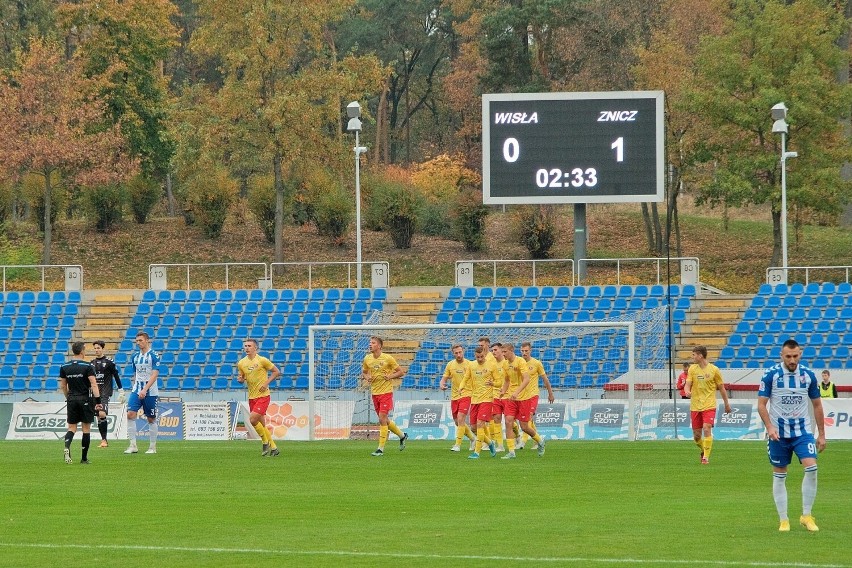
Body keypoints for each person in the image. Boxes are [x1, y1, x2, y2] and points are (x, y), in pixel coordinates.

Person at [757, 339, 826, 532]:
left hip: (802, 432)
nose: (792, 360)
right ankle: (784, 520)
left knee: (812, 468)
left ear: (800, 354)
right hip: (778, 434)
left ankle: (806, 515)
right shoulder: (771, 375)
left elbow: (817, 405)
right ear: (782, 356)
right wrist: (769, 427)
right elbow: (761, 404)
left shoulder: (808, 376)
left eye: (795, 356)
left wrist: (821, 434)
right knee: (780, 475)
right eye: (788, 356)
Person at [683, 345, 731, 465]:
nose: (692, 357)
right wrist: (687, 390)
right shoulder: (692, 369)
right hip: (695, 405)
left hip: (709, 404)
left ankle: (706, 458)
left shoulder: (714, 370)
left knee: (706, 428)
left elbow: (721, 388)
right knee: (697, 436)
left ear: (700, 356)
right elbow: (688, 383)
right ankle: (703, 450)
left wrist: (726, 404)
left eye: (694, 354)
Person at [362, 336, 408, 456]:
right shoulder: (367, 358)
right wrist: (368, 378)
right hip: (375, 393)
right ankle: (402, 436)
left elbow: (401, 372)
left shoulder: (387, 358)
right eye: (370, 343)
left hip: (386, 392)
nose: (370, 344)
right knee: (385, 420)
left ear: (379, 346)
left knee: (382, 418)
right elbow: (364, 372)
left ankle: (380, 448)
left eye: (373, 343)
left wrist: (390, 376)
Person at [498, 343, 545, 459]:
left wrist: (517, 392)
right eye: (502, 352)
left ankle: (540, 441)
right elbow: (507, 380)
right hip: (511, 398)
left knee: (524, 427)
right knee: (508, 422)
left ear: (511, 351)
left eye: (505, 352)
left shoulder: (520, 362)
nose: (503, 354)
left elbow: (527, 379)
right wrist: (503, 391)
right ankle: (511, 452)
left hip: (524, 398)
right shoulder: (505, 364)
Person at [237, 338, 282, 457]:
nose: (246, 348)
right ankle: (274, 448)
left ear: (255, 348)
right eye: (245, 346)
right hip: (252, 397)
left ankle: (264, 441)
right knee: (262, 424)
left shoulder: (262, 360)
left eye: (249, 346)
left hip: (263, 395)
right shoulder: (241, 363)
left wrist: (266, 383)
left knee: (252, 419)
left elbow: (276, 372)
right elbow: (242, 377)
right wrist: (241, 380)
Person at [59, 342, 101, 464]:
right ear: (82, 351)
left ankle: (67, 447)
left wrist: (68, 397)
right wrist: (98, 401)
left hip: (72, 399)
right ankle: (84, 458)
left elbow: (63, 385)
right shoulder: (87, 366)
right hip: (85, 399)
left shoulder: (64, 366)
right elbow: (93, 384)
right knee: (86, 429)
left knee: (72, 427)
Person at [125, 331, 161, 455]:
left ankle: (152, 447)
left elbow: (155, 374)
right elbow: (135, 374)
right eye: (137, 341)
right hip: (137, 390)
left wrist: (145, 389)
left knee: (151, 418)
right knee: (130, 414)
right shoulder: (135, 356)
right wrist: (137, 387)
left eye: (140, 340)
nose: (138, 343)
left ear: (147, 340)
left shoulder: (154, 355)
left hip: (150, 391)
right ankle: (133, 445)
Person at [458, 346, 497, 459]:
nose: (480, 359)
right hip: (475, 399)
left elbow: (499, 381)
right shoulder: (472, 365)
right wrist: (461, 387)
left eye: (482, 356)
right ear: (475, 356)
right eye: (478, 357)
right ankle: (490, 443)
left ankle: (477, 452)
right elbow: (465, 378)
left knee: (480, 424)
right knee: (474, 427)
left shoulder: (491, 365)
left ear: (485, 354)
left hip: (487, 399)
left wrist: (493, 383)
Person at [518, 341, 555, 450]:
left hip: (533, 394)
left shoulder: (536, 363)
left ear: (530, 351)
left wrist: (550, 393)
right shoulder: (519, 363)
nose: (524, 353)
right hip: (522, 396)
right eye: (522, 351)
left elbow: (545, 379)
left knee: (529, 417)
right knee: (527, 420)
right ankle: (537, 441)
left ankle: (523, 442)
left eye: (526, 351)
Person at [439, 344, 475, 452]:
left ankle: (457, 445)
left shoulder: (470, 364)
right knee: (457, 422)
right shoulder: (450, 365)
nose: (459, 354)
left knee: (460, 418)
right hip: (454, 396)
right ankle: (473, 438)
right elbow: (444, 378)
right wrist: (442, 384)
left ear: (463, 351)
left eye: (460, 352)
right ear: (453, 353)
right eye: (456, 353)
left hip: (467, 394)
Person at [91, 340, 124, 448]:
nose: (96, 350)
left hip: (105, 392)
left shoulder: (109, 362)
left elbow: (116, 376)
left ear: (102, 349)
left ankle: (104, 440)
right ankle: (103, 440)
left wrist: (121, 390)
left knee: (102, 414)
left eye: (98, 348)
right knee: (98, 417)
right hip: (95, 393)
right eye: (95, 348)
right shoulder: (91, 363)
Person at [489, 342, 509, 452]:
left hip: (507, 396)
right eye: (492, 350)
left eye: (495, 350)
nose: (493, 352)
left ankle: (517, 436)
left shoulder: (507, 363)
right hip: (496, 395)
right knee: (496, 419)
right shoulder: (491, 365)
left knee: (509, 420)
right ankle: (500, 445)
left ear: (502, 350)